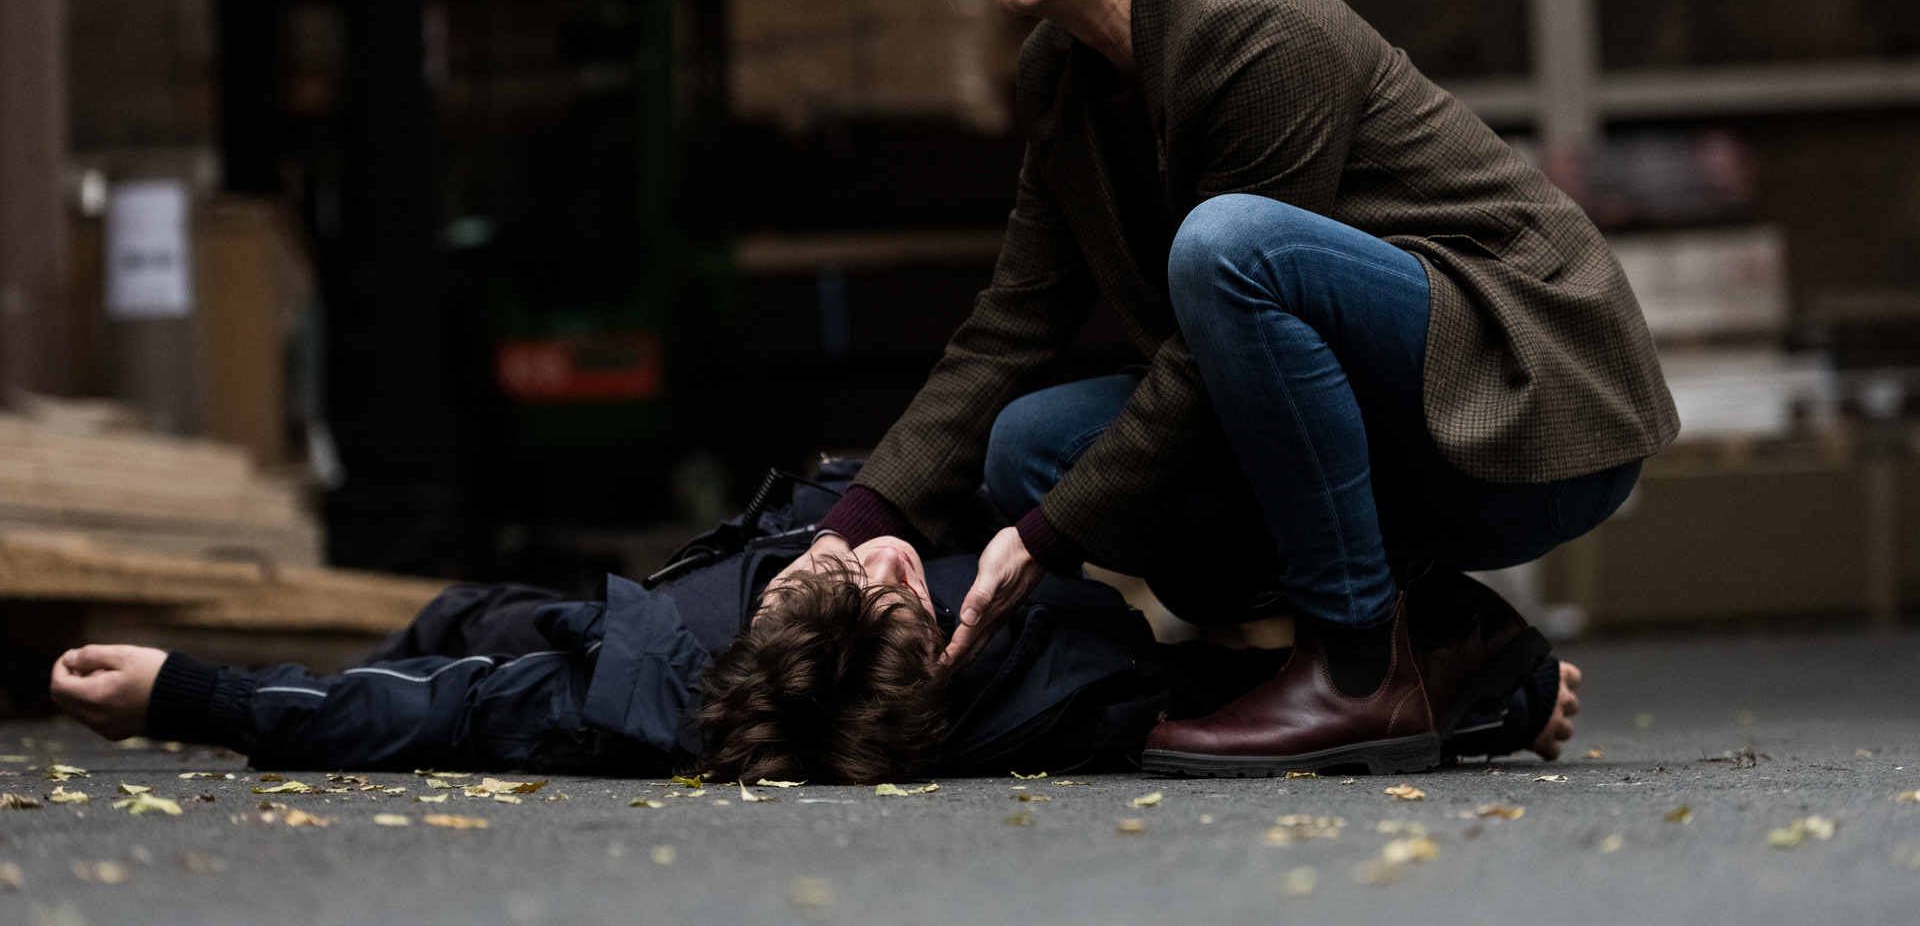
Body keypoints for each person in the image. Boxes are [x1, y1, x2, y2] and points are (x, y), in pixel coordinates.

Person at [808, 0, 1674, 776]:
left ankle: (1355, 666)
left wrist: (1045, 538)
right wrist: (850, 526)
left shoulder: (1250, 27)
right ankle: (1441, 632)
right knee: (1033, 447)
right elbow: (1013, 321)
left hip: (1523, 399)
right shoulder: (1060, 75)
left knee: (1227, 247)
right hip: (1401, 429)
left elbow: (1215, 322)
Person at [48, 473, 1578, 781]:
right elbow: (1277, 708)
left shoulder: (636, 694)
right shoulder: (1055, 689)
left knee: (460, 642)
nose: (894, 564)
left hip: (591, 623)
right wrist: (1507, 704)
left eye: (871, 578)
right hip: (655, 605)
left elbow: (406, 715)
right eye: (900, 588)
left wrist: (181, 688)